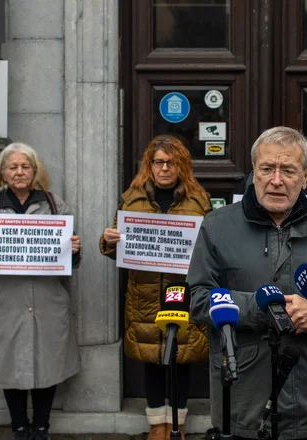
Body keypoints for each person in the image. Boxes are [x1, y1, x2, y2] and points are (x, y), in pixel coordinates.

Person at [187, 126, 307, 440]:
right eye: (267, 168)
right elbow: (198, 298)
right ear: (253, 171)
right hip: (241, 390)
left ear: (305, 175)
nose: (276, 180)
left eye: (287, 170)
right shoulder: (217, 226)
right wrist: (261, 307)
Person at [99, 135, 211, 440]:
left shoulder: (199, 200)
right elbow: (115, 247)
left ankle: (178, 421)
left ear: (181, 165)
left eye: (171, 162)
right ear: (150, 165)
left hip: (181, 292)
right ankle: (156, 423)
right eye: (158, 162)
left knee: (181, 358)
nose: (164, 168)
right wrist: (108, 241)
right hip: (144, 294)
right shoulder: (131, 198)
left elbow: (211, 248)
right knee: (151, 359)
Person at [0, 143, 82, 440]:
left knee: (47, 361)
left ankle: (42, 426)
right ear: (3, 173)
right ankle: (19, 426)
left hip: (47, 298)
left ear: (35, 172)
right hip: (4, 300)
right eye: (12, 167)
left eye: (25, 167)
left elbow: (70, 259)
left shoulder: (54, 203)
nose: (19, 172)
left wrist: (73, 250)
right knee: (10, 363)